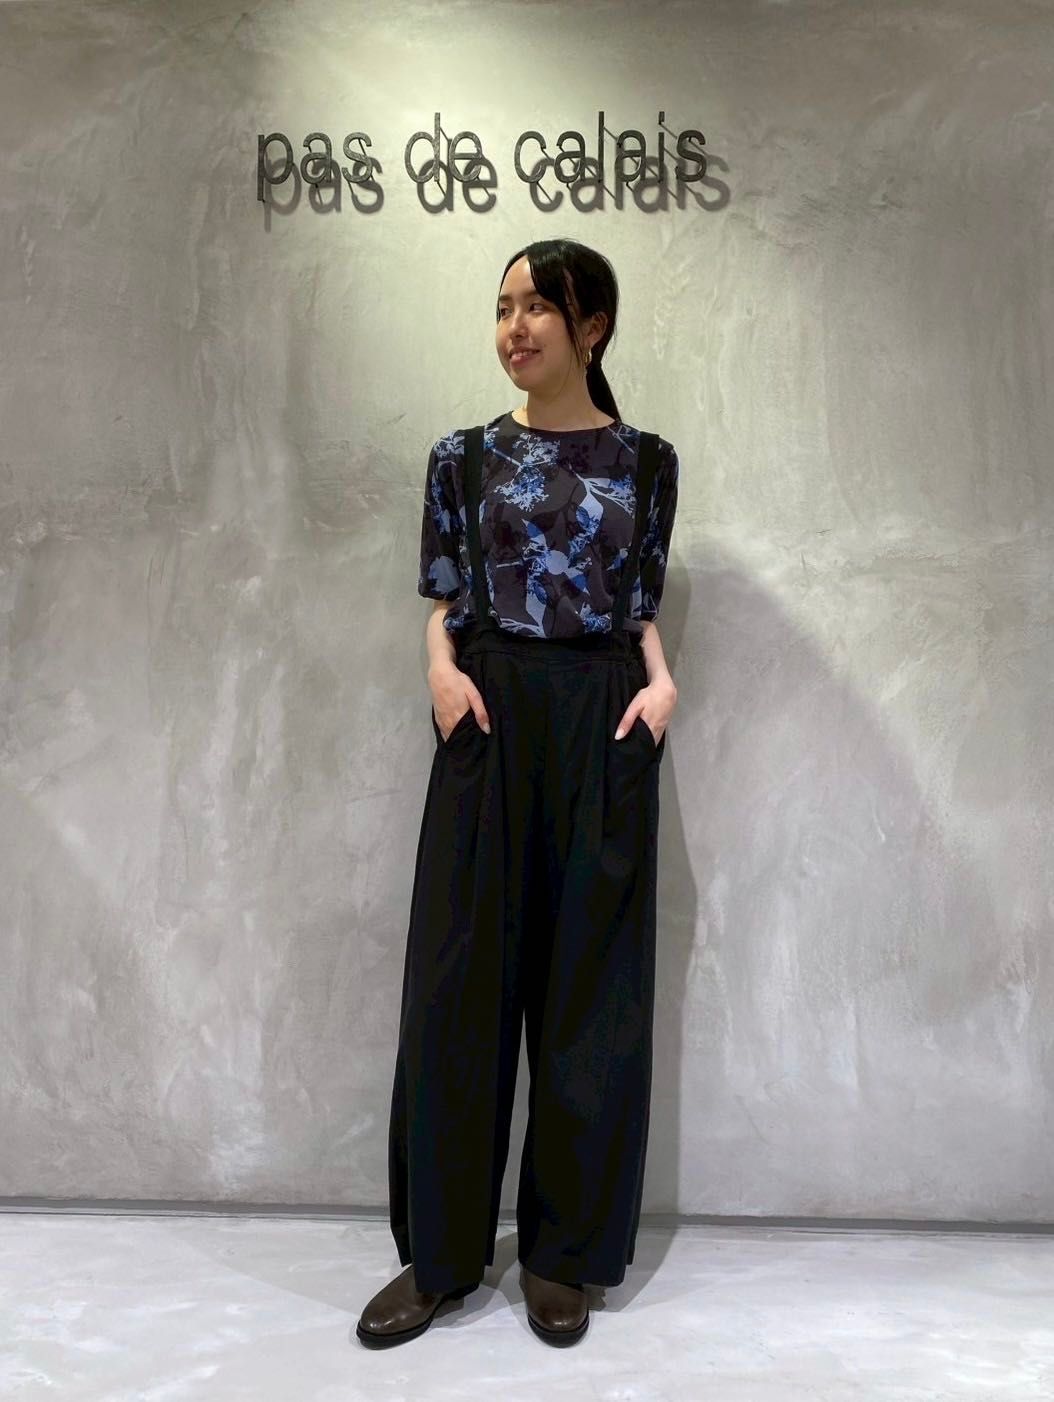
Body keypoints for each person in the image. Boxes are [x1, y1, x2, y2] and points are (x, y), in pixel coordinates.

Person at [357, 239, 679, 1349]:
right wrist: (438, 674)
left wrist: (662, 684)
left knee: (591, 988)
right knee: (459, 988)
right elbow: (442, 598)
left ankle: (563, 1254)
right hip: (486, 713)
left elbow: (638, 603)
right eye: (504, 306)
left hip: (604, 714)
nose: (515, 326)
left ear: (592, 326)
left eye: (539, 306)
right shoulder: (461, 457)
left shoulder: (648, 462)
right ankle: (442, 1255)